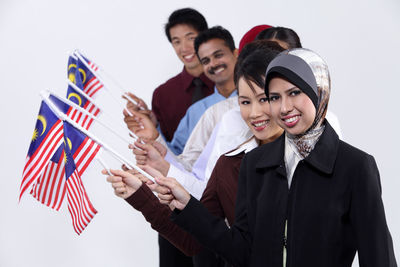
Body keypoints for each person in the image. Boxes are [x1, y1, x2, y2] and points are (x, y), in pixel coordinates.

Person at [152, 48, 397, 266]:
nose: (284, 107)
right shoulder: (255, 163)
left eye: (294, 93)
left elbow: (378, 257)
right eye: (275, 97)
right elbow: (241, 252)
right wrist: (187, 205)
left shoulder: (354, 166)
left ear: (319, 92)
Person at [105, 42, 284, 266]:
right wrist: (141, 197)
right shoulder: (229, 164)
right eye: (245, 102)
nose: (255, 113)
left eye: (265, 99)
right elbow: (194, 241)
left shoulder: (316, 159)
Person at [129, 26, 238, 155]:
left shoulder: (257, 97)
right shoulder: (195, 112)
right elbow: (178, 157)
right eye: (206, 61)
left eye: (218, 55)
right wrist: (153, 130)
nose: (213, 64)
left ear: (236, 54)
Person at [123, 8, 214, 143]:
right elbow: (165, 148)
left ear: (205, 37)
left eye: (191, 38)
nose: (184, 48)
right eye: (176, 41)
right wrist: (151, 123)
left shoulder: (226, 83)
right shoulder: (162, 95)